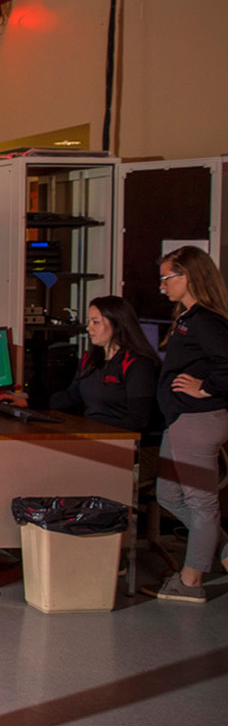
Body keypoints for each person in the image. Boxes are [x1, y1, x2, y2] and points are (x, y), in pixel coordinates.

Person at [147, 245, 228, 603]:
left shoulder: (207, 321)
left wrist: (205, 387)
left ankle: (191, 581)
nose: (162, 285)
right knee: (168, 495)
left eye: (168, 278)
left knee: (200, 504)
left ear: (189, 276)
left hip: (198, 422)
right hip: (179, 421)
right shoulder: (186, 319)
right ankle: (222, 547)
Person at [47, 295, 160, 432]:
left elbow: (138, 420)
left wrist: (100, 433)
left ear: (117, 323)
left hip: (120, 440)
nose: (88, 328)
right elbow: (71, 396)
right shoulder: (90, 360)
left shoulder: (138, 364)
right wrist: (30, 402)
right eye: (89, 322)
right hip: (94, 436)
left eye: (95, 322)